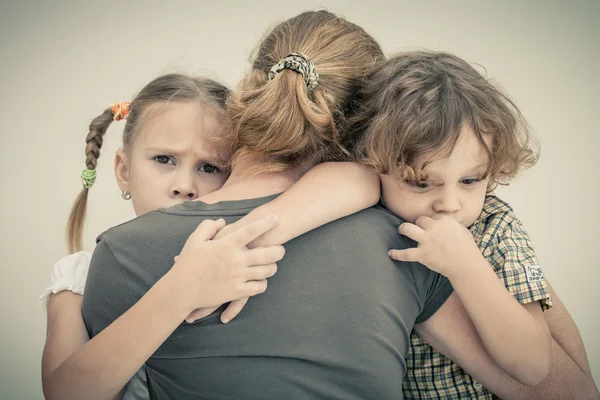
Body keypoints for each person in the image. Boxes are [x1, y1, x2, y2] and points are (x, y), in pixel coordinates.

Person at [82, 11, 550, 400]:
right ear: (369, 132)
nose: (449, 202)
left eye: (471, 180)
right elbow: (542, 384)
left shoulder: (124, 253)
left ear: (249, 90)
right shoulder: (405, 239)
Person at [41, 73, 378, 400]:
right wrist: (181, 291)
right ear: (124, 170)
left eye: (209, 168)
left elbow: (360, 178)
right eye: (164, 160)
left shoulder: (240, 257)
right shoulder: (79, 277)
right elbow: (66, 393)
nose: (184, 186)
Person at [345, 50, 599, 399]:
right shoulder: (367, 222)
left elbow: (534, 365)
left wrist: (466, 265)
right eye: (422, 183)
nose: (449, 205)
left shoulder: (498, 232)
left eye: (470, 181)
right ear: (371, 165)